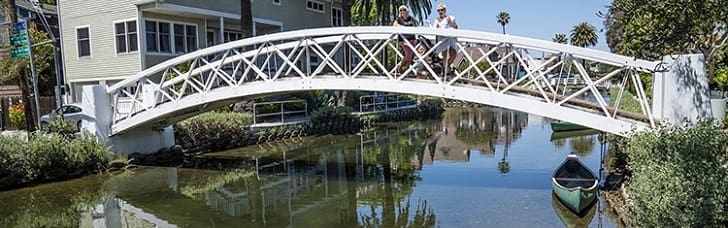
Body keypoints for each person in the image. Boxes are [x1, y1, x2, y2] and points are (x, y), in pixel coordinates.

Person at [432, 2, 458, 77]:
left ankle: (445, 68)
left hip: (451, 38)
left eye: (442, 10)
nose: (440, 12)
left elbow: (456, 27)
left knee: (453, 54)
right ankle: (445, 72)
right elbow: (434, 30)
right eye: (439, 10)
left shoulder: (450, 18)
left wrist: (451, 22)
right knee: (445, 56)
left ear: (445, 10)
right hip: (443, 39)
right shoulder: (436, 20)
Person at [393, 5, 418, 74]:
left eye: (404, 10)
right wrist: (402, 27)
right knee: (408, 54)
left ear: (407, 11)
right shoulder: (399, 19)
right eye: (400, 10)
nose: (402, 11)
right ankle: (400, 66)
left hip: (412, 39)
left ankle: (404, 71)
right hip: (403, 39)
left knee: (410, 56)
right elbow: (394, 25)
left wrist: (414, 25)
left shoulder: (411, 18)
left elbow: (416, 24)